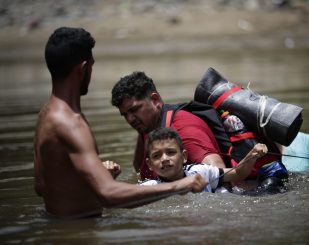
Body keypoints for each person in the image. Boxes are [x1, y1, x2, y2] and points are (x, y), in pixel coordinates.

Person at [34, 27, 207, 218]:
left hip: (60, 227)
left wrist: (95, 178)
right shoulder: (72, 124)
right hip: (81, 232)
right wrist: (178, 185)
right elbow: (108, 194)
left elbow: (41, 185)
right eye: (91, 66)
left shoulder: (45, 115)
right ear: (83, 69)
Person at [111, 71, 288, 194]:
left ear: (155, 100)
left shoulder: (183, 130)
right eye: (124, 114)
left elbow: (223, 177)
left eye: (134, 110)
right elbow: (138, 169)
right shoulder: (148, 126)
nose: (130, 119)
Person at [140, 128, 268, 193]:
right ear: (150, 164)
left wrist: (252, 155)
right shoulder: (148, 189)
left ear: (184, 156)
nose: (164, 159)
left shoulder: (200, 172)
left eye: (171, 152)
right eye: (156, 156)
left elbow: (238, 174)